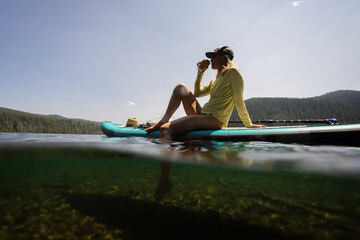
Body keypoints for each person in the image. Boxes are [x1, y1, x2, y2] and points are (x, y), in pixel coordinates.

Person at [146, 46, 266, 140]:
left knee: (165, 129)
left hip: (215, 119)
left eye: (213, 57)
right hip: (203, 114)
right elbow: (197, 93)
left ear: (223, 57)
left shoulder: (233, 72)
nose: (211, 60)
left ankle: (166, 171)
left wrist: (248, 124)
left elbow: (238, 99)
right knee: (180, 87)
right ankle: (164, 119)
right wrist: (200, 72)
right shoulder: (215, 80)